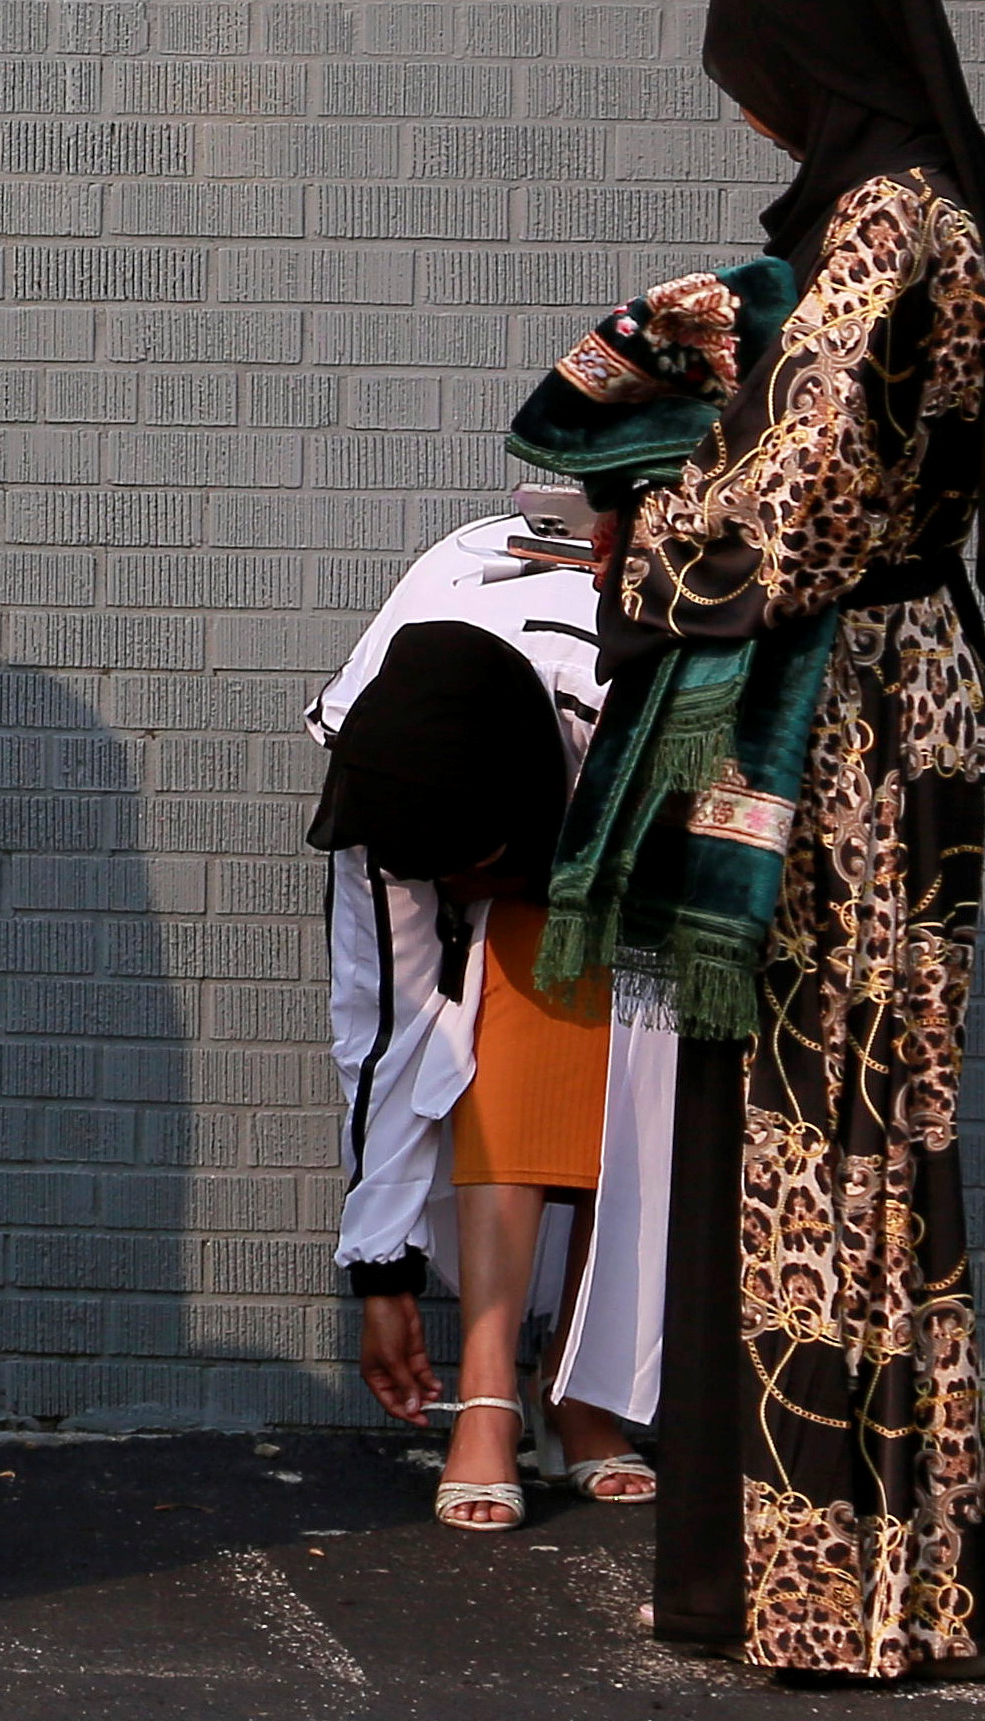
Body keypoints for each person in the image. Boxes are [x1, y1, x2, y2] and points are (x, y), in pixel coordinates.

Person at [540, 0, 985, 1682]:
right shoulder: (956, 209)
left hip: (834, 729)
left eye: (757, 73)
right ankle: (893, 1580)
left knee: (817, 1141)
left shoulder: (881, 226)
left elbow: (801, 512)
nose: (751, 109)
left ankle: (831, 1598)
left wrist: (623, 540)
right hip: (908, 710)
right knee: (880, 1142)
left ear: (814, 60)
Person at [308, 569, 657, 1528]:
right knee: (511, 1007)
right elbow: (381, 1020)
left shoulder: (636, 712)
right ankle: (491, 1389)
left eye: (480, 867)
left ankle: (582, 1385)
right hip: (499, 754)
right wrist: (382, 1273)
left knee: (640, 1054)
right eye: (441, 874)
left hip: (652, 769)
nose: (456, 885)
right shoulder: (388, 772)